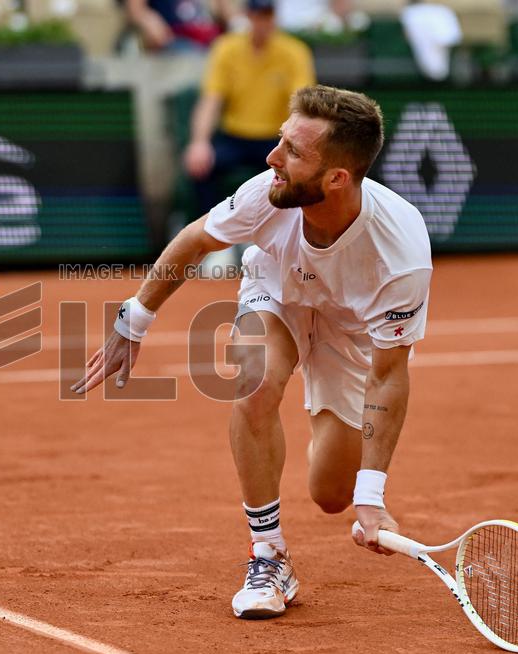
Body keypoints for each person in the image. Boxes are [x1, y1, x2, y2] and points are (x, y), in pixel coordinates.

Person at [71, 85, 432, 619]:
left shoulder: (400, 254)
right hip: (278, 295)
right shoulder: (270, 189)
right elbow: (195, 241)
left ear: (338, 178)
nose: (272, 158)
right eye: (279, 141)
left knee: (333, 494)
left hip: (349, 333)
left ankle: (324, 427)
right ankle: (269, 554)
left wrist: (371, 493)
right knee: (255, 380)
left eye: (292, 151)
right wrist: (135, 318)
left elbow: (388, 376)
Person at [183, 0, 315, 216]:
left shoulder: (295, 51)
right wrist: (199, 142)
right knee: (201, 167)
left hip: (277, 138)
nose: (263, 22)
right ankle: (210, 231)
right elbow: (211, 100)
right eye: (258, 15)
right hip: (234, 137)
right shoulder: (227, 47)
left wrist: (295, 144)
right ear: (248, 16)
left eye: (268, 15)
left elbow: (300, 104)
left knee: (300, 174)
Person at [125, 0, 237, 53]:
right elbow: (135, 10)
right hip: (174, 38)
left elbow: (228, 14)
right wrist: (150, 22)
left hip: (208, 37)